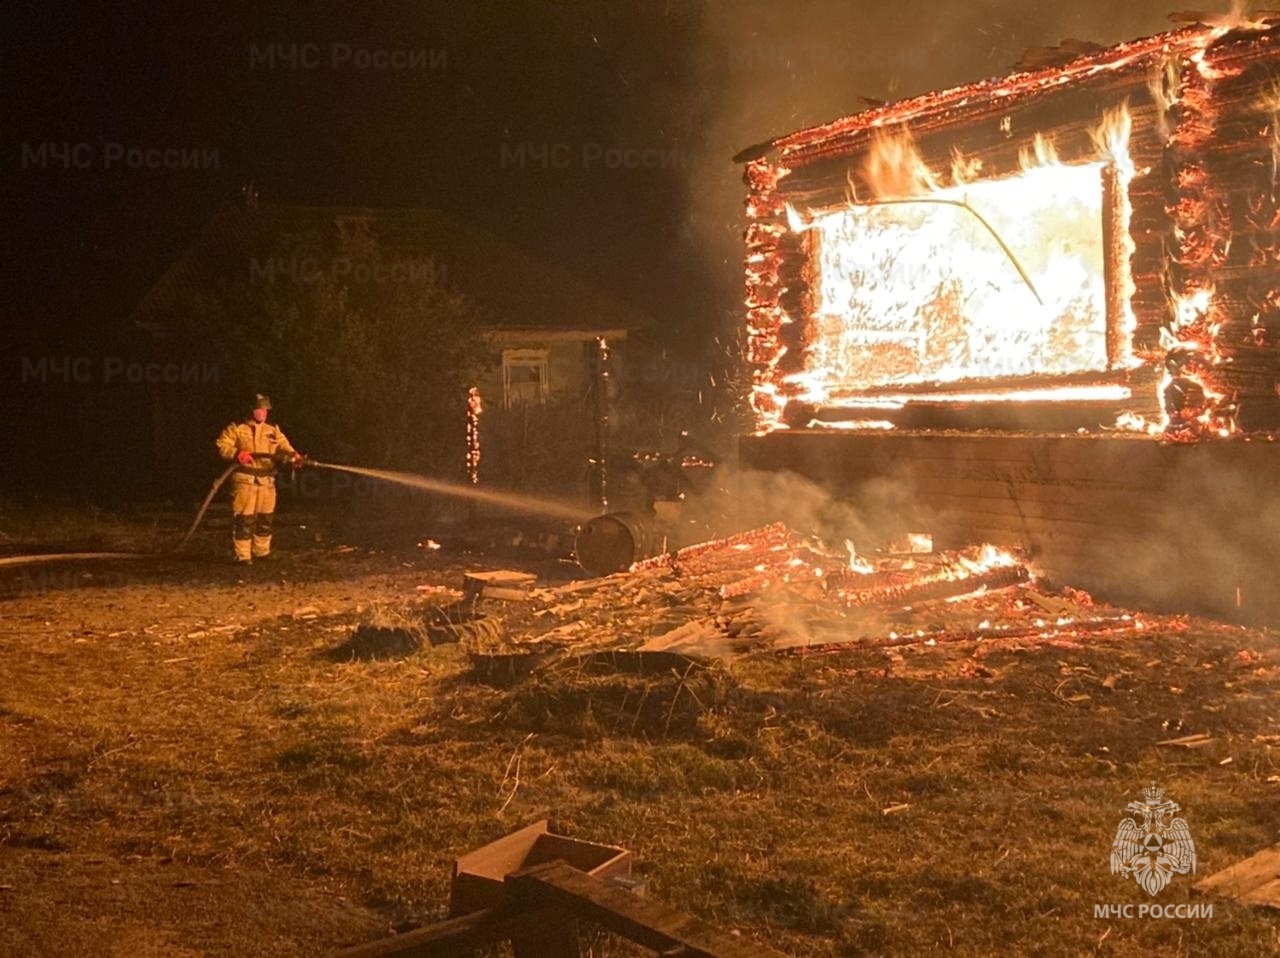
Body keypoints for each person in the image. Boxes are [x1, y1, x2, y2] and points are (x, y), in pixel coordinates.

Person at [215, 394, 305, 564]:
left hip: (266, 480)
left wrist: (295, 456)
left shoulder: (272, 430)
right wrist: (237, 453)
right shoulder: (237, 428)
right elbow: (222, 444)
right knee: (244, 518)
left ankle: (262, 551)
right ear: (251, 410)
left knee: (265, 518)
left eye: (265, 410)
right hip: (245, 479)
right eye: (260, 409)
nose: (264, 413)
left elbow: (285, 446)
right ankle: (242, 555)